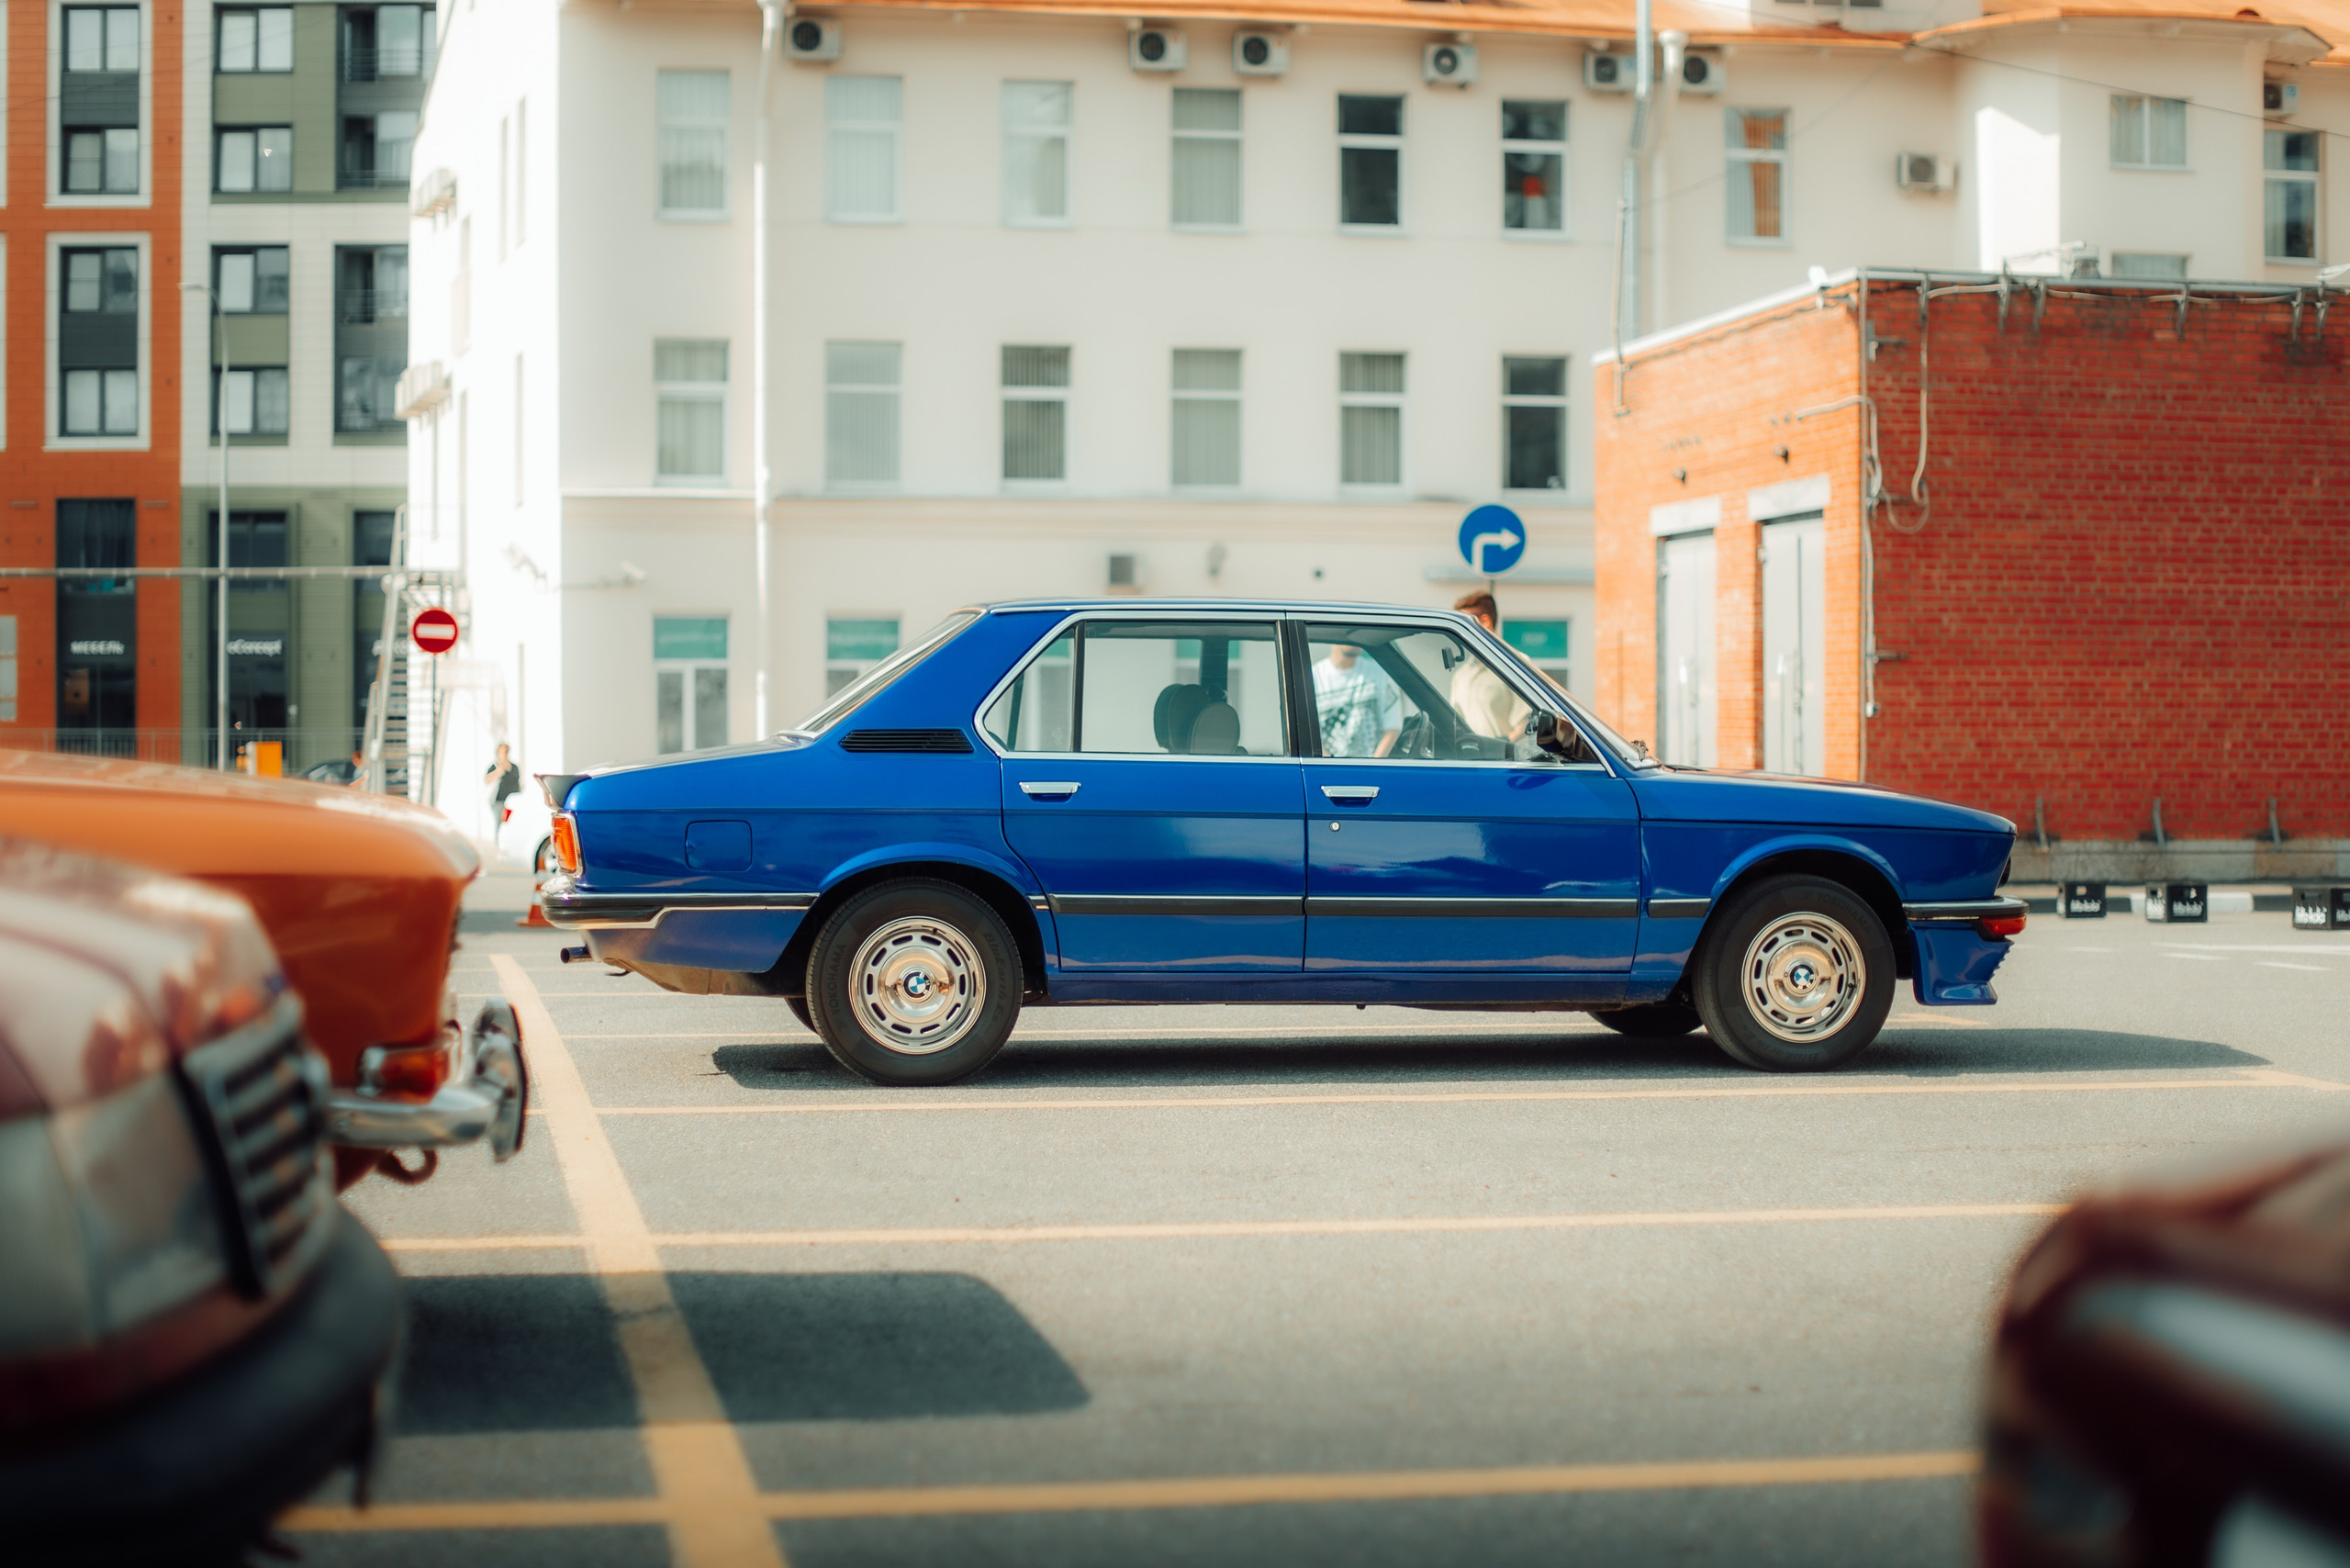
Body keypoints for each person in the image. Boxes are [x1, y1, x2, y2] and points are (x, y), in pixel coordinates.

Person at [1450, 591, 1531, 741]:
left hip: (1504, 755)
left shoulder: (1515, 666)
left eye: (1462, 626)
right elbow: (1455, 726)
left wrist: (1503, 745)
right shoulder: (1461, 675)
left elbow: (1530, 721)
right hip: (1470, 756)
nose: (1457, 633)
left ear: (1485, 622)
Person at [1312, 643, 1401, 758]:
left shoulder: (1380, 675)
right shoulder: (1313, 678)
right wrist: (1330, 765)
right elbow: (1307, 733)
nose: (1354, 641)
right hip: (1326, 767)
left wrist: (1373, 765)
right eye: (1347, 635)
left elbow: (1392, 729)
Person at [485, 744, 521, 812]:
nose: (504, 753)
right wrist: (497, 772)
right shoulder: (495, 766)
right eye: (502, 751)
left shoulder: (515, 767)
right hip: (499, 802)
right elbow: (486, 780)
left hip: (513, 801)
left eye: (505, 751)